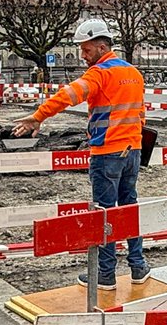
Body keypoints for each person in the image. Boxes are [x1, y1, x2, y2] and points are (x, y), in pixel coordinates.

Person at [12, 17, 148, 291]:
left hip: (107, 153)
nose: (82, 56)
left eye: (85, 50)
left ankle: (106, 275)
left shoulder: (100, 73)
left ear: (101, 47)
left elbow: (68, 96)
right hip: (133, 150)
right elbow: (141, 114)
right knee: (129, 209)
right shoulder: (133, 73)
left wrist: (38, 117)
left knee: (104, 214)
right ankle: (138, 266)